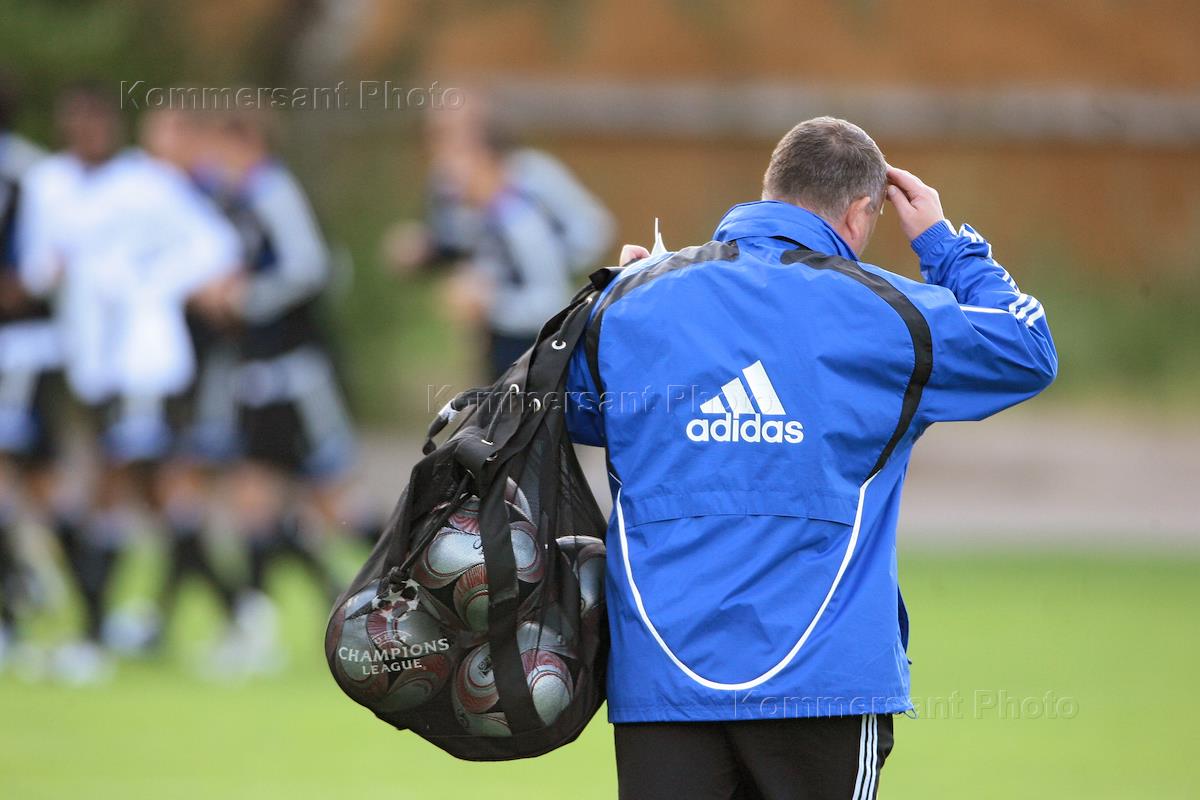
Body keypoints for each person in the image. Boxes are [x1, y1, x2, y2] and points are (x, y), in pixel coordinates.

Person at [565, 117, 1057, 799]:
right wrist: (945, 245)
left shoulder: (631, 304)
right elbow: (1027, 349)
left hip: (663, 680)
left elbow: (565, 412)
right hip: (823, 683)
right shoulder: (886, 314)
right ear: (860, 212)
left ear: (771, 190)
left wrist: (627, 295)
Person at [18, 83, 241, 681]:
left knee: (113, 486)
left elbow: (215, 247)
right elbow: (41, 266)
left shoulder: (148, 186)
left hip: (145, 362)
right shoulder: (56, 186)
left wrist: (160, 284)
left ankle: (92, 636)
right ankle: (237, 610)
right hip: (93, 361)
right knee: (154, 493)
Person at [198, 107, 361, 665]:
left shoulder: (273, 190)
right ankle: (259, 623)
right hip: (260, 374)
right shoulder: (238, 199)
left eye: (223, 147)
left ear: (247, 142)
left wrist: (245, 297)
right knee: (257, 496)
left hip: (295, 374)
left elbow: (310, 266)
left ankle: (398, 595)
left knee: (332, 499)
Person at [384, 103, 613, 379]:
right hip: (502, 337)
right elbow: (459, 245)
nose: (444, 166)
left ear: (485, 154)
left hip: (536, 343)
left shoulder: (523, 207)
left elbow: (551, 296)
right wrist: (427, 251)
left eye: (455, 149)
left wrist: (493, 300)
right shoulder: (471, 206)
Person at [0, 77, 56, 667]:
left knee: (16, 469)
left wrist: (27, 283)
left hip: (22, 347)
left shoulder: (31, 173)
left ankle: (23, 594)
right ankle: (30, 578)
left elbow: (47, 262)